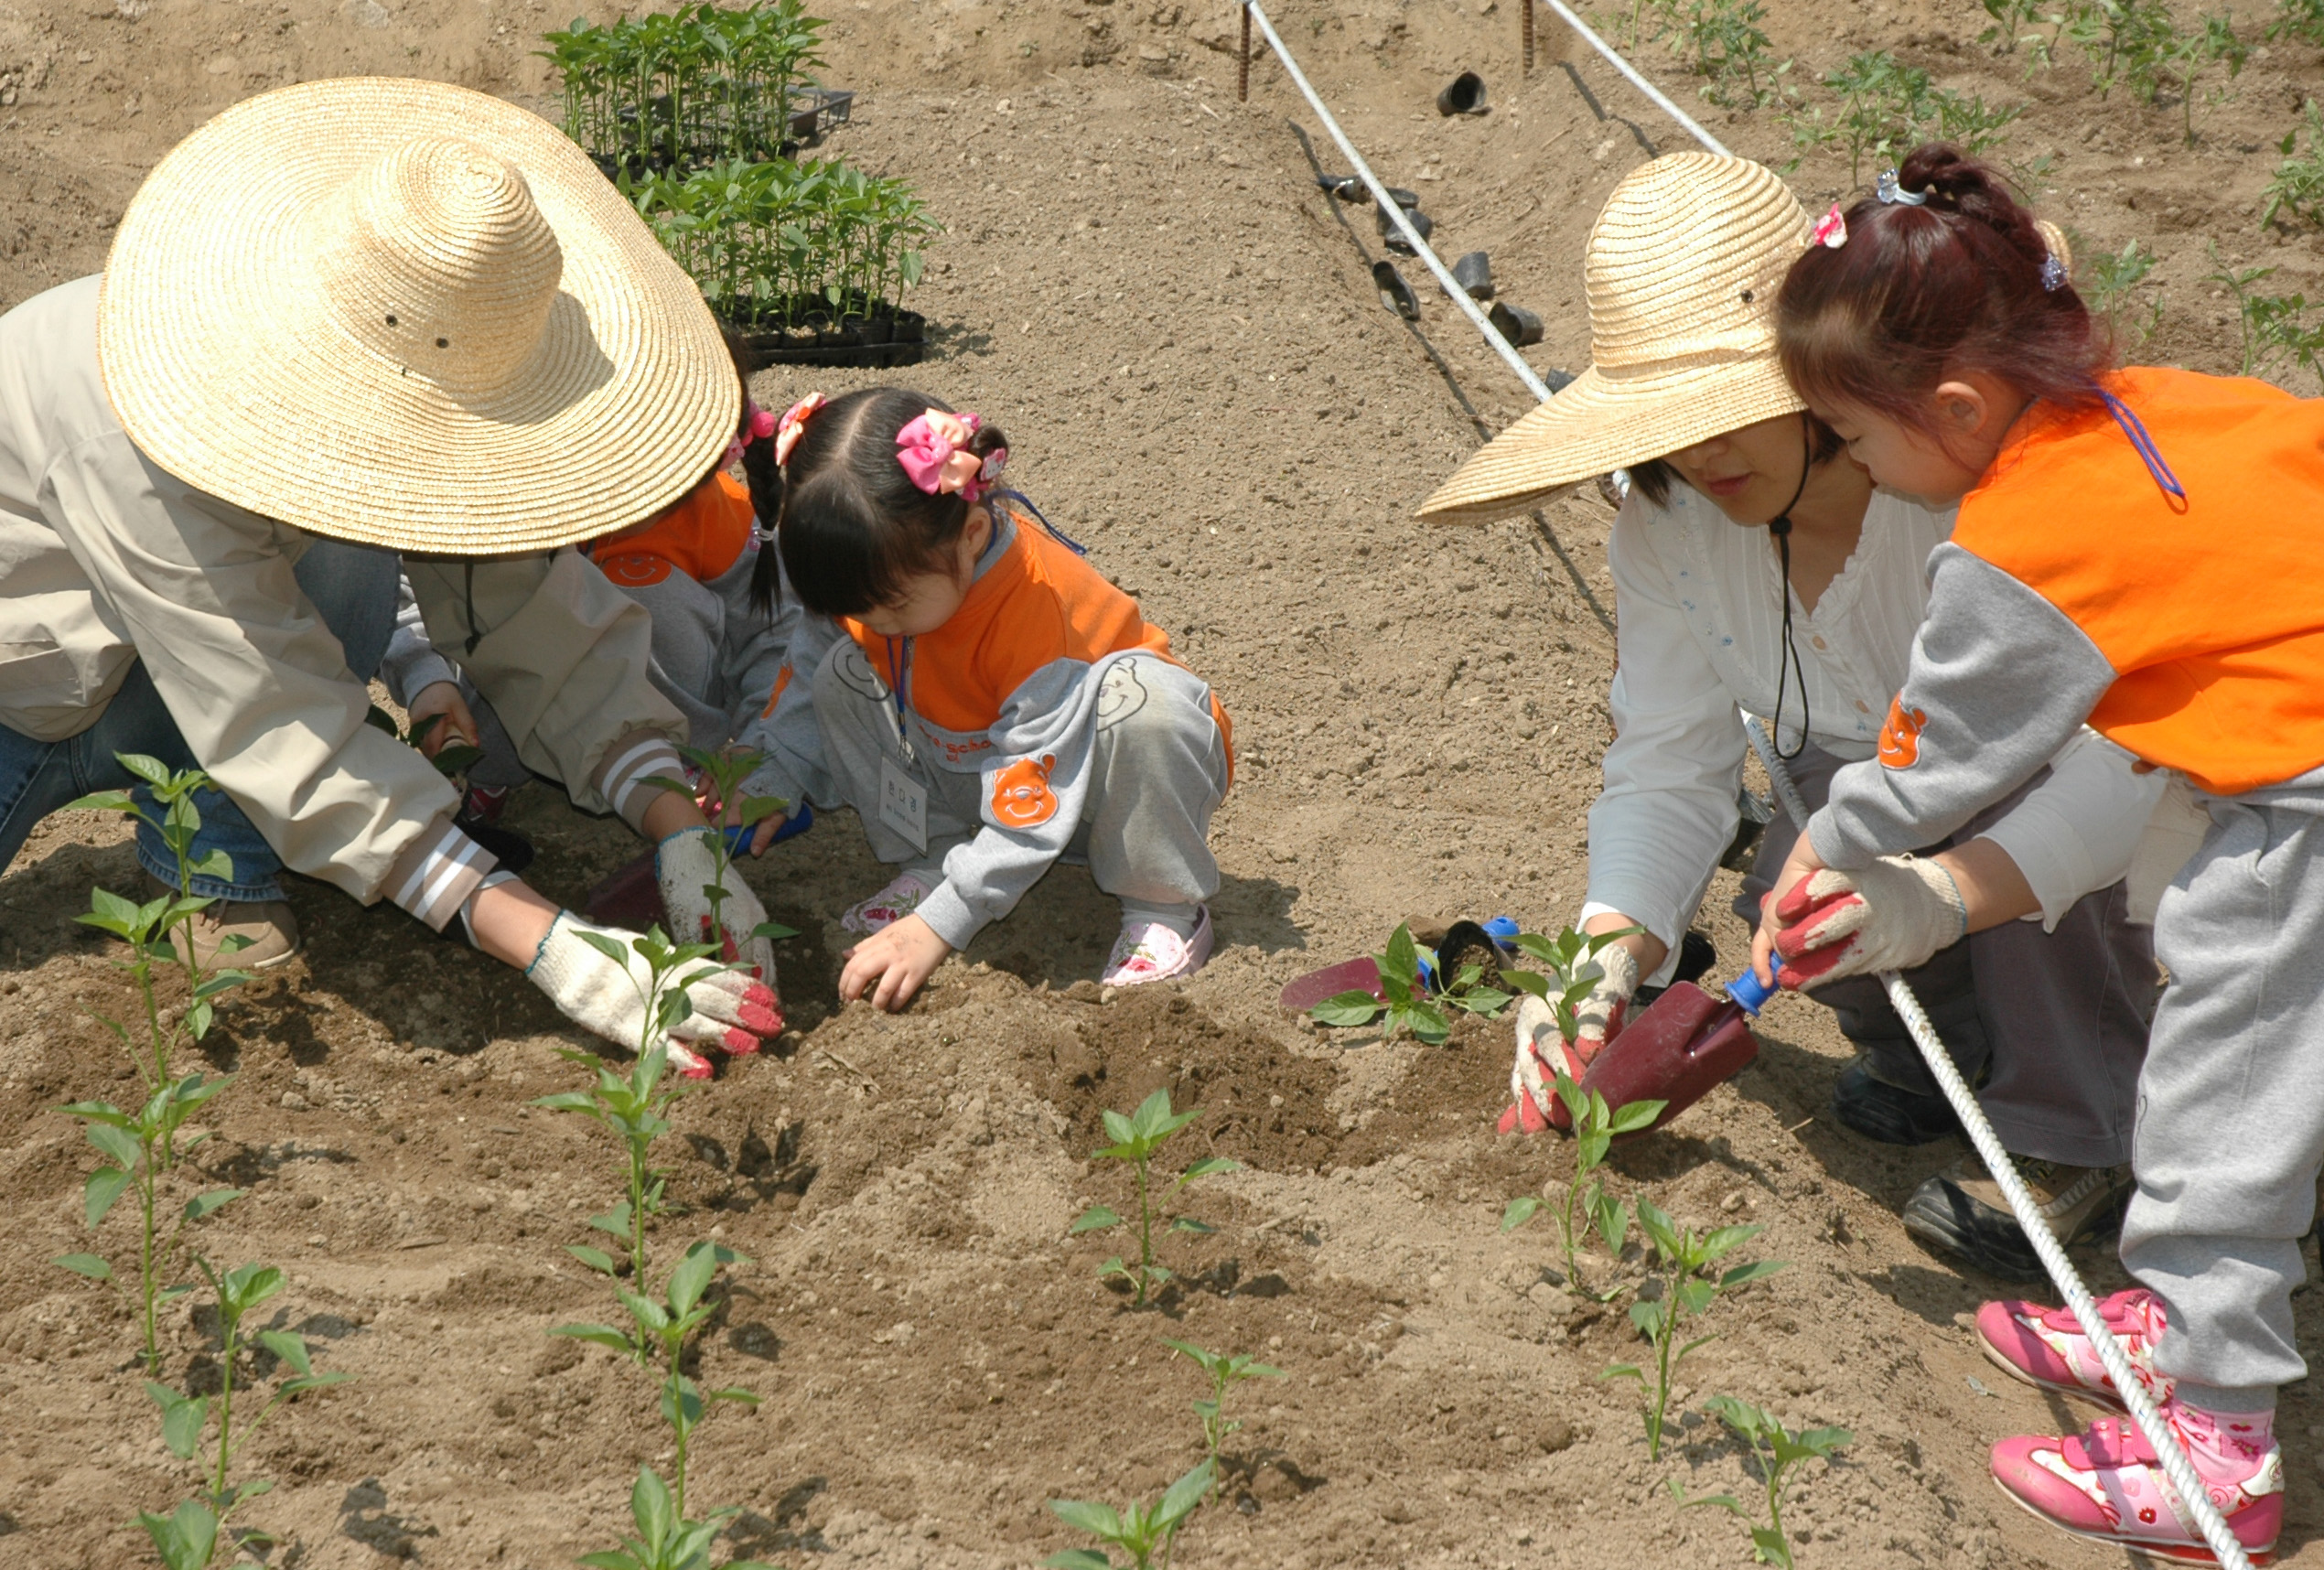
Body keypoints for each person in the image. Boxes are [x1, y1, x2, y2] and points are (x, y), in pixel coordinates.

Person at [1417, 151, 2162, 1279]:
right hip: (1857, 786)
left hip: (2087, 802)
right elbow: (1669, 763)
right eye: (1670, 424)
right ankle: (1949, 1065)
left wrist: (1946, 890)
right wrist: (1602, 958)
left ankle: (2082, 1127)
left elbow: (2126, 757)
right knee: (1795, 893)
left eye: (1732, 413)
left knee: (2007, 852)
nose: (1697, 452)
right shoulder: (1668, 530)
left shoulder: (1968, 494)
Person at [1762, 143, 2324, 1562]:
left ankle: (2222, 1452)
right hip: (2279, 756)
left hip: (2304, 812)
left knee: (2221, 1107)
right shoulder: (2178, 411)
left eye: (1860, 439)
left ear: (1954, 409)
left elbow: (1940, 746)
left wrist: (1833, 846)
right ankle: (2182, 1310)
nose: (1859, 466)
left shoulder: (2024, 532)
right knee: (2224, 1081)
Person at [0, 77, 783, 1079]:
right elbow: (271, 710)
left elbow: (529, 604)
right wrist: (552, 947)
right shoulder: (129, 414)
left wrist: (678, 827)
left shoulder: (423, 344)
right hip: (23, 687)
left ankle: (210, 869)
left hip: (169, 670)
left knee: (351, 558)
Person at [743, 389, 1233, 1011]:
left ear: (972, 535)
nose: (873, 624)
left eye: (891, 608)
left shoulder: (1033, 610)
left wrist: (942, 924)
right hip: (988, 775)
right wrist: (777, 769)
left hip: (1111, 791)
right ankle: (937, 857)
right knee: (843, 669)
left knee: (1146, 705)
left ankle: (1161, 907)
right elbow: (811, 655)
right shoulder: (893, 582)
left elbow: (1035, 786)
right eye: (852, 609)